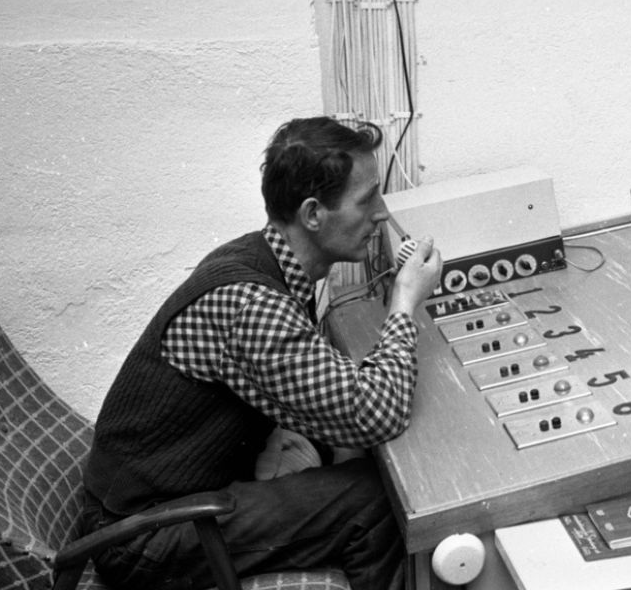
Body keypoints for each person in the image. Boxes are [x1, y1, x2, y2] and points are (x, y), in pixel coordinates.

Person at [77, 116, 442, 590]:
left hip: (167, 500)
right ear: (313, 214)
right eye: (367, 198)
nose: (382, 213)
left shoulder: (263, 257)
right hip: (143, 536)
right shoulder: (252, 305)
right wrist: (405, 303)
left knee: (352, 460)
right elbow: (377, 415)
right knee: (378, 501)